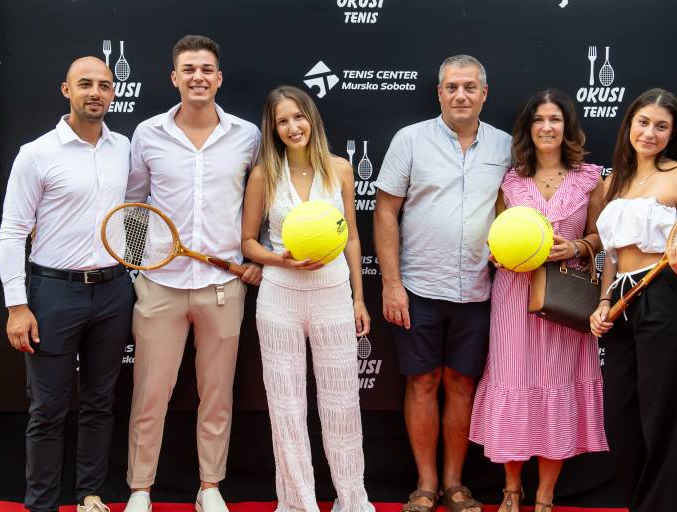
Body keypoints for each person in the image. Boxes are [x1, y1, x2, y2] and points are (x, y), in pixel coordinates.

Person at [123, 35, 262, 512]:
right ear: (174, 78)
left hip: (223, 287)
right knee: (149, 394)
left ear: (218, 78)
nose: (198, 77)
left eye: (206, 69)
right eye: (188, 69)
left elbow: (259, 202)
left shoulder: (247, 135)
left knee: (216, 396)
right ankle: (140, 490)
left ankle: (210, 487)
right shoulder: (148, 134)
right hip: (159, 286)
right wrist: (138, 269)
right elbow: (134, 205)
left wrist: (257, 259)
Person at [374, 55, 511, 512]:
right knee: (423, 381)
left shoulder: (506, 147)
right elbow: (386, 211)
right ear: (439, 93)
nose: (461, 95)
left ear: (484, 94)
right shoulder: (410, 140)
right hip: (418, 286)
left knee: (462, 384)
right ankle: (426, 484)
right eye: (452, 87)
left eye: (470, 87)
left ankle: (454, 483)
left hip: (479, 289)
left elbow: (513, 212)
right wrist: (391, 283)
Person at [0, 57, 133, 512]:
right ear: (66, 90)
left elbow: (135, 211)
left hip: (114, 292)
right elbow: (12, 232)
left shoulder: (123, 148)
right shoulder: (36, 154)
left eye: (104, 85)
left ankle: (90, 495)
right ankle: (41, 505)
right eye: (85, 84)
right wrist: (17, 305)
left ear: (113, 93)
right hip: (53, 294)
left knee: (100, 402)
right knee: (48, 409)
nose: (96, 92)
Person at [469, 89, 608, 512]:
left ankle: (546, 496)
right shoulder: (510, 180)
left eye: (555, 119)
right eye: (539, 120)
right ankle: (512, 490)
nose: (547, 127)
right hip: (514, 295)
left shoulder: (590, 179)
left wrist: (578, 247)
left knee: (556, 387)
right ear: (528, 128)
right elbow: (496, 232)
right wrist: (499, 253)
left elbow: (603, 237)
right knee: (513, 382)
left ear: (567, 127)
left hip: (566, 298)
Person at [241, 85, 373, 512]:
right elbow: (247, 242)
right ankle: (298, 504)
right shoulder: (264, 174)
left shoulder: (341, 169)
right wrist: (279, 259)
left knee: (342, 403)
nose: (292, 127)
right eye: (282, 121)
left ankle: (352, 501)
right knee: (286, 407)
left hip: (333, 294)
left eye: (298, 117)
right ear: (273, 129)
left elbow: (352, 237)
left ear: (311, 119)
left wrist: (358, 299)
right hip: (279, 298)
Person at [590, 88, 677, 512]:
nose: (650, 133)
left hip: (666, 298)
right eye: (643, 122)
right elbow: (611, 255)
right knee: (620, 421)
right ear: (630, 125)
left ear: (673, 133)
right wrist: (604, 301)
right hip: (622, 302)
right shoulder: (612, 183)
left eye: (661, 126)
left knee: (661, 419)